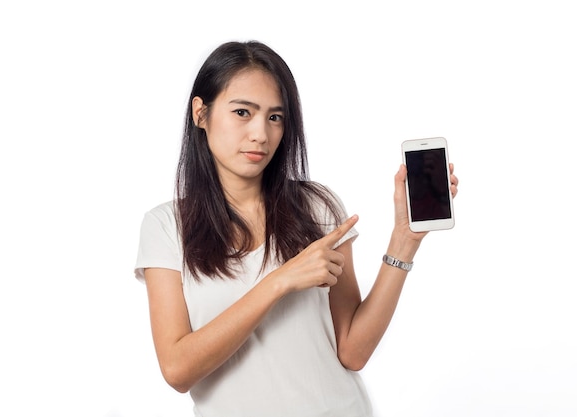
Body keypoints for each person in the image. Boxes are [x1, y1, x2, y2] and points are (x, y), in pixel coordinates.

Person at [134, 40, 458, 417]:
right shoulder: (166, 226)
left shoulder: (316, 205)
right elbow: (177, 370)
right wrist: (280, 281)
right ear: (200, 113)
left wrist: (404, 241)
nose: (261, 133)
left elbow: (352, 351)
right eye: (243, 112)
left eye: (275, 117)